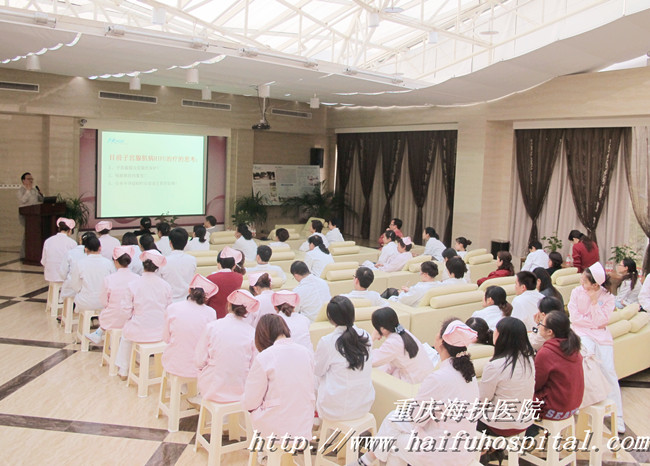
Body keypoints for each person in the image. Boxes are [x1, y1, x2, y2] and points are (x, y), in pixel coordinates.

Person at [355, 319, 478, 466]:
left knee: (392, 441)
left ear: (441, 343)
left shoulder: (438, 378)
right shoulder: (469, 375)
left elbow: (416, 419)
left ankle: (368, 459)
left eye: (438, 333)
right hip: (463, 451)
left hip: (441, 454)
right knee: (393, 419)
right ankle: (367, 460)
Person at [568, 262, 625, 432]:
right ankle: (584, 405)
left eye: (585, 281)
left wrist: (594, 303)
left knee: (608, 369)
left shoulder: (608, 297)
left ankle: (618, 415)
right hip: (581, 332)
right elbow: (574, 317)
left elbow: (602, 322)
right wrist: (591, 322)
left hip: (602, 335)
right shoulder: (576, 292)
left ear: (595, 285)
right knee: (587, 362)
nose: (581, 283)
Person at [243, 314, 315, 443]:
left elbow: (250, 402)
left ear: (262, 335)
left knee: (251, 409)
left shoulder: (264, 357)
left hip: (276, 430)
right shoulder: (306, 352)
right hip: (304, 425)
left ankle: (263, 456)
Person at [115, 250, 173, 379]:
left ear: (143, 264)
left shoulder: (133, 285)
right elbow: (169, 310)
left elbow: (125, 311)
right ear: (158, 267)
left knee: (125, 335)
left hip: (138, 331)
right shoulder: (166, 286)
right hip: (160, 332)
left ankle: (123, 369)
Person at [315, 296, 373, 421]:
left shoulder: (327, 341)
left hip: (334, 410)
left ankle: (315, 423)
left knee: (315, 376)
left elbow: (318, 371)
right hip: (364, 405)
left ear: (331, 319)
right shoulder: (366, 335)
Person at [195, 289, 258, 403]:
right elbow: (254, 366)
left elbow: (199, 361)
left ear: (229, 305)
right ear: (247, 311)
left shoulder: (212, 327)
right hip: (242, 390)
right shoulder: (252, 333)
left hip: (212, 389)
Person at [478, 317, 536, 437]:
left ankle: (484, 451)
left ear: (502, 337)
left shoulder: (494, 366)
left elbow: (483, 399)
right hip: (524, 421)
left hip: (499, 425)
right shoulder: (529, 359)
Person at [161, 274, 217, 380]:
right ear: (206, 296)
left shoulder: (173, 308)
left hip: (174, 364)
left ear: (189, 291)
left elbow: (166, 338)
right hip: (200, 368)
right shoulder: (211, 313)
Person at [534, 310, 584, 421]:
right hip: (573, 406)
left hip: (554, 409)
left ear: (550, 332)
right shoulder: (573, 346)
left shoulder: (546, 353)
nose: (539, 326)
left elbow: (535, 384)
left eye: (541, 323)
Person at [85, 246, 139, 345]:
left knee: (108, 312)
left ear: (115, 261)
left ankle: (99, 334)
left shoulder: (109, 279)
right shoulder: (137, 278)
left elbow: (103, 301)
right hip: (133, 318)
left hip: (112, 318)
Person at [370, 307, 434, 384]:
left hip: (414, 382)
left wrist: (372, 338)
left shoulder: (392, 343)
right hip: (426, 375)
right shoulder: (403, 332)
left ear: (383, 329)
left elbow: (371, 361)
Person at [69, 235, 115, 313]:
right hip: (105, 302)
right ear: (100, 248)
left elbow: (75, 286)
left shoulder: (80, 263)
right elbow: (113, 283)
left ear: (86, 249)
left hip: (85, 301)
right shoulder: (108, 263)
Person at [206, 247, 246, 319]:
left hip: (213, 316)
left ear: (219, 263)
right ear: (234, 265)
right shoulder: (239, 278)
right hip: (230, 316)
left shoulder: (210, 278)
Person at [160, 228, 197, 303]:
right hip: (188, 301)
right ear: (186, 243)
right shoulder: (192, 260)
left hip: (169, 302)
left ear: (170, 243)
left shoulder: (164, 261)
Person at [41, 217, 77, 285]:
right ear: (70, 230)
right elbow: (74, 263)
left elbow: (43, 261)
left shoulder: (48, 241)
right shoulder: (72, 243)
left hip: (50, 276)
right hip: (65, 277)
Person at [17, 172, 43, 258]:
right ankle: (24, 254)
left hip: (34, 215)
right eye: (29, 179)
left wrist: (41, 194)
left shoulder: (34, 189)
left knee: (33, 233)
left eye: (32, 179)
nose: (31, 181)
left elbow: (40, 200)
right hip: (26, 215)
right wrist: (28, 191)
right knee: (28, 233)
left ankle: (33, 252)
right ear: (23, 180)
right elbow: (22, 201)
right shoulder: (21, 190)